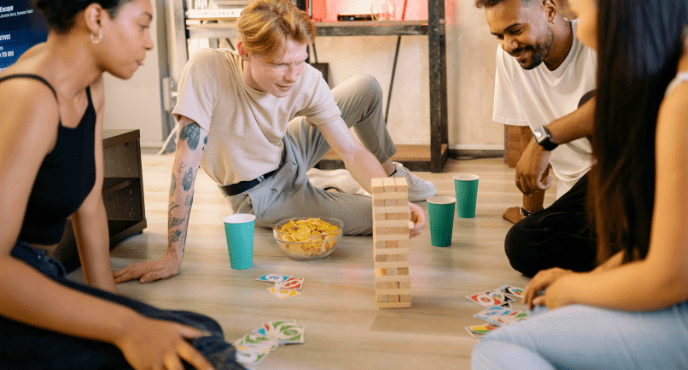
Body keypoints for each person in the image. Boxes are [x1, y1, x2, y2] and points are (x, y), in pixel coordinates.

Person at [472, 0, 688, 368]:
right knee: (540, 317)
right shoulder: (682, 66)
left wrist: (574, 287)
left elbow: (671, 278)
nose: (563, 5)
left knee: (498, 348)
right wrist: (587, 280)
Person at [112, 0, 431, 284]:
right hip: (261, 194)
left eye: (300, 60)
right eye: (280, 64)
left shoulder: (303, 76)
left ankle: (388, 175)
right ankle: (324, 186)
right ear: (244, 51)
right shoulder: (207, 69)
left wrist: (391, 198)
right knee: (385, 220)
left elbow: (350, 149)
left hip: (287, 149)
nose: (294, 76)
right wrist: (172, 254)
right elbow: (185, 165)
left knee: (366, 86)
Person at [0, 1, 243, 368]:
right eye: (143, 26)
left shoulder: (87, 84)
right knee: (201, 355)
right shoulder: (30, 98)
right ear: (96, 18)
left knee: (202, 329)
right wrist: (125, 326)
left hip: (39, 271)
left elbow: (90, 202)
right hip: (12, 288)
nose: (149, 43)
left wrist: (111, 305)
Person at [476, 0, 599, 276]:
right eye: (500, 36)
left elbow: (622, 101)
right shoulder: (509, 57)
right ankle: (633, 249)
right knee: (521, 242)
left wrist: (546, 138)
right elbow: (526, 129)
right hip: (579, 199)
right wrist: (531, 215)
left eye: (516, 30)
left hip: (622, 180)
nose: (509, 45)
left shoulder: (595, 37)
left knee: (594, 102)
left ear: (550, 9)